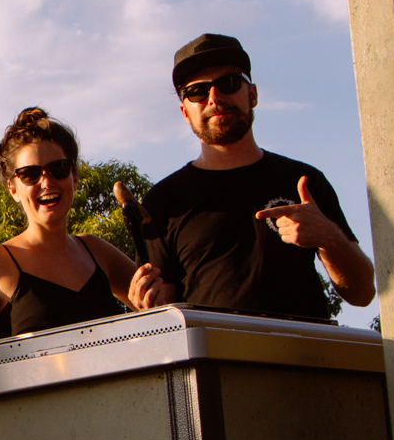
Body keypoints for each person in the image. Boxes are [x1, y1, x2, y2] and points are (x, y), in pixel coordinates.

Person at [135, 33, 375, 318]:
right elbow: (165, 312)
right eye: (197, 91)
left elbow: (361, 293)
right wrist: (147, 304)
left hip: (307, 357)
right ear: (185, 112)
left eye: (229, 83)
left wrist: (330, 238)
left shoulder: (304, 181)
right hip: (215, 361)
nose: (215, 97)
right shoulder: (164, 201)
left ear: (253, 95)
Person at [0, 108, 142, 368]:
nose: (46, 182)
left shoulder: (96, 250)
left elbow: (159, 309)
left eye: (58, 169)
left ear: (74, 176)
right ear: (13, 188)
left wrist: (150, 294)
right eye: (30, 174)